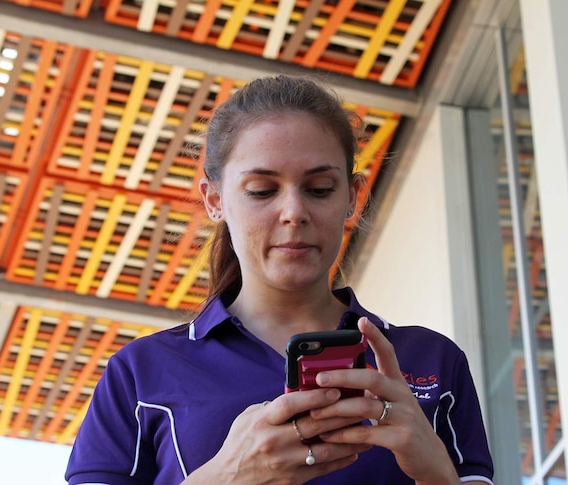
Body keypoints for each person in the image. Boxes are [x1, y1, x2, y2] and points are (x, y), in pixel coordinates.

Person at [65, 75, 494, 485]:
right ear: (215, 200)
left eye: (320, 188)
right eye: (262, 190)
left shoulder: (431, 361)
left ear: (353, 196)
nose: (294, 211)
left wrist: (436, 473)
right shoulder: (142, 373)